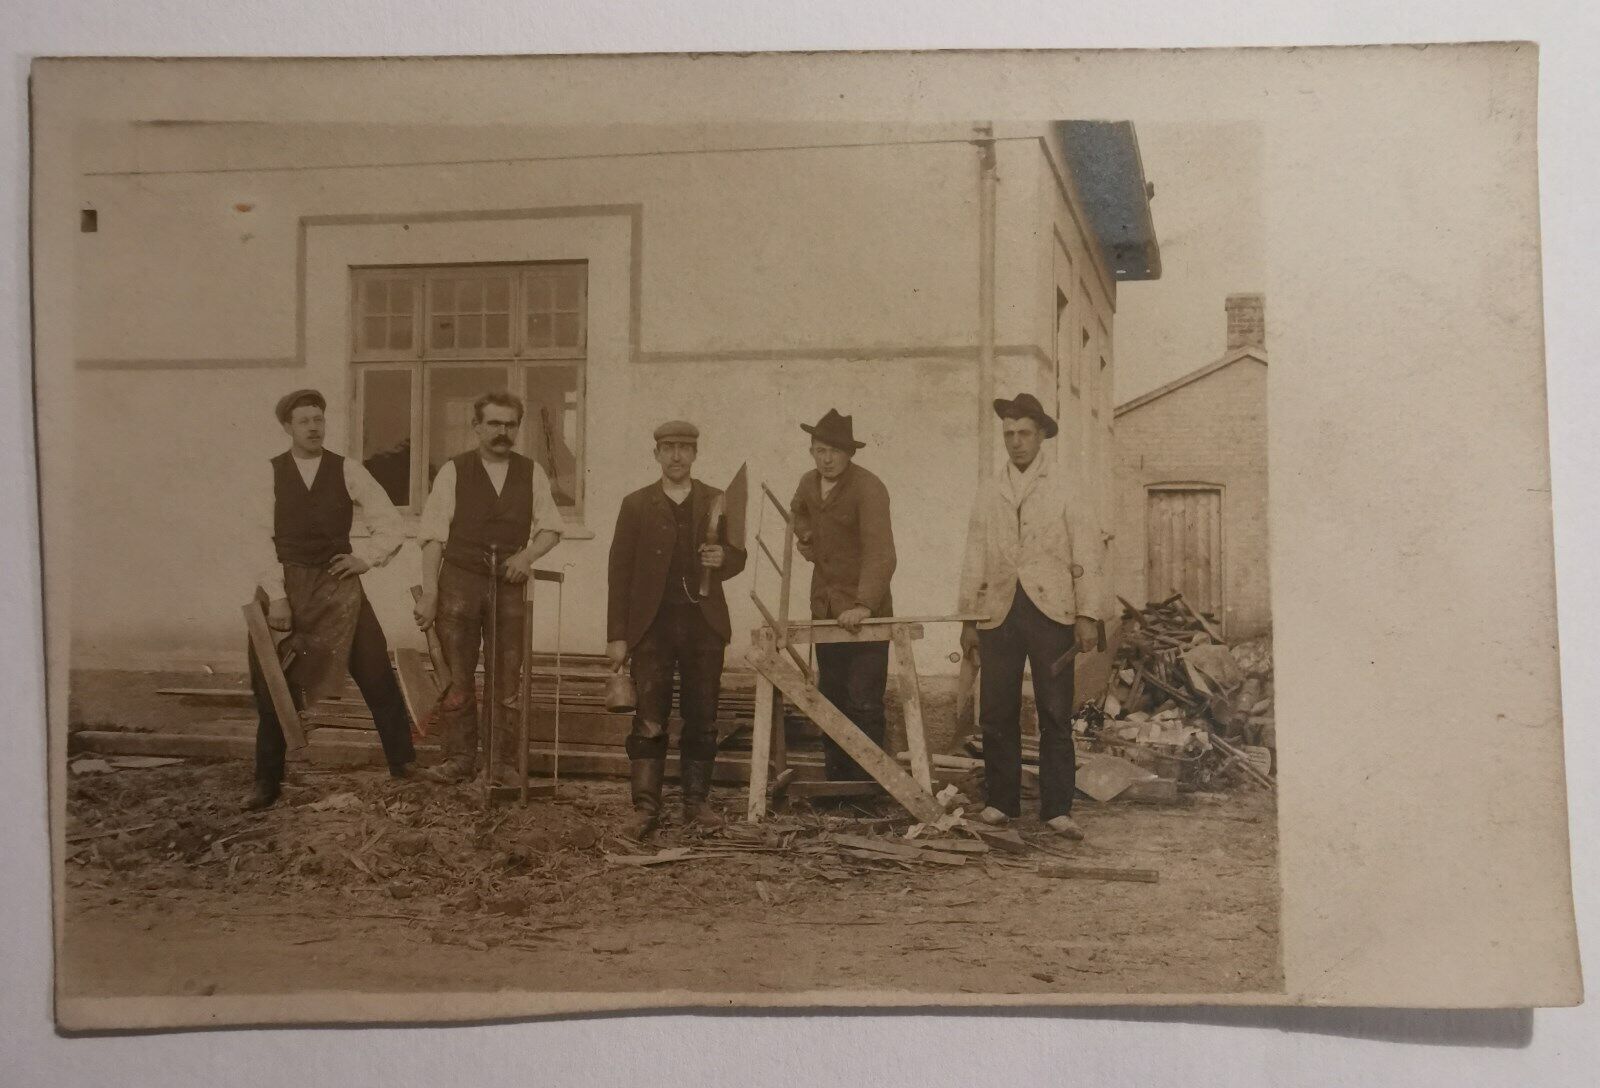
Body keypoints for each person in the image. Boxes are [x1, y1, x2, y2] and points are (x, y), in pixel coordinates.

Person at [244, 389, 416, 810]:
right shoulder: (268, 473)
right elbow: (254, 538)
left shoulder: (347, 469)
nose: (314, 427)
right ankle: (267, 780)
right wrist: (278, 597)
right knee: (273, 685)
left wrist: (366, 559)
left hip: (340, 587)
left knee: (377, 675)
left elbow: (389, 523)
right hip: (286, 588)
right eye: (304, 420)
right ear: (287, 427)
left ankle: (405, 767)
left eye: (319, 419)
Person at [958, 393, 1100, 839]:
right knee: (997, 708)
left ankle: (1057, 808)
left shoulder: (1067, 485)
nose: (1015, 442)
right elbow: (974, 554)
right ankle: (1002, 802)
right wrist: (968, 619)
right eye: (1008, 434)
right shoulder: (988, 487)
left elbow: (1087, 550)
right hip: (999, 610)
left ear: (1041, 436)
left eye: (1023, 433)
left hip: (1051, 610)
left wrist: (1087, 613)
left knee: (1055, 710)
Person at [413, 392, 563, 787]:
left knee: (507, 678)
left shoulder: (531, 472)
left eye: (510, 424)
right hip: (459, 583)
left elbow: (551, 528)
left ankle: (500, 764)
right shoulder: (454, 471)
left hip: (509, 586)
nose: (502, 432)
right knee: (457, 677)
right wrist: (430, 594)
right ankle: (459, 759)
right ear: (476, 426)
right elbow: (432, 537)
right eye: (494, 424)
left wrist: (526, 557)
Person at [607, 421, 747, 839]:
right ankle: (645, 808)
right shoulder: (636, 505)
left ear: (695, 453)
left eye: (685, 448)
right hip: (652, 627)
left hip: (703, 625)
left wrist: (723, 557)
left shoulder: (717, 499)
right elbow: (619, 573)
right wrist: (618, 635)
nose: (676, 456)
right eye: (668, 447)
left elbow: (738, 556)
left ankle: (695, 803)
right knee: (649, 718)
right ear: (656, 454)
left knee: (702, 716)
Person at [790, 409, 897, 782]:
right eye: (820, 450)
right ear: (812, 451)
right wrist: (806, 538)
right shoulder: (807, 483)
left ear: (849, 454)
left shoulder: (869, 488)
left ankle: (867, 785)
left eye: (835, 451)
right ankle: (837, 781)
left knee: (863, 698)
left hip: (864, 611)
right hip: (825, 605)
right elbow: (798, 512)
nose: (827, 459)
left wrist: (864, 605)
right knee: (831, 696)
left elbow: (881, 551)